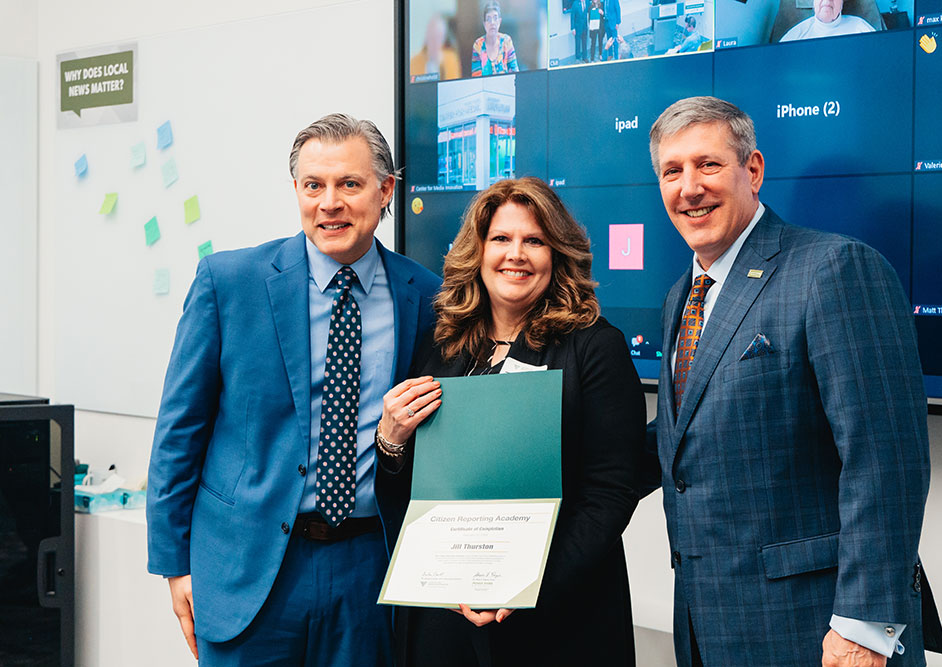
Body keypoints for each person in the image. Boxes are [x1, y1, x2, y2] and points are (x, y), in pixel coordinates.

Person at [644, 96, 942, 666]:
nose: (689, 187)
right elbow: (687, 434)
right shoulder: (679, 298)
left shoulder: (834, 268)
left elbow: (885, 457)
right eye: (672, 171)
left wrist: (864, 626)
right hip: (709, 626)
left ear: (753, 170)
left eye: (708, 164)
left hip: (819, 632)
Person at [145, 113, 441, 666]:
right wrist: (174, 564)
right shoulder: (228, 282)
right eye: (314, 185)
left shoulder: (424, 295)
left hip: (367, 568)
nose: (330, 202)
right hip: (248, 567)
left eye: (349, 184)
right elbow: (178, 431)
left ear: (385, 192)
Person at [376, 177, 645, 666]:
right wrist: (390, 439)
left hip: (556, 617)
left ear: (557, 254)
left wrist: (525, 585)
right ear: (477, 252)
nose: (515, 254)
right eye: (501, 239)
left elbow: (610, 494)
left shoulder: (594, 347)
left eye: (534, 241)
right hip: (445, 614)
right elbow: (409, 489)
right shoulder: (443, 346)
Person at [780, 0, 876, 41]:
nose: (827, 0)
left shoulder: (860, 27)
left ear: (842, 3)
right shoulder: (796, 35)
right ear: (814, 3)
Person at [471, 1, 519, 76]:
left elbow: (515, 74)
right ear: (484, 24)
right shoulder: (478, 45)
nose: (492, 22)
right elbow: (476, 78)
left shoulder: (506, 41)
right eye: (488, 19)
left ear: (499, 21)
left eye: (495, 18)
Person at [410, 13, 461, 81]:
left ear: (443, 39)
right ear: (426, 37)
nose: (435, 42)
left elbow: (454, 86)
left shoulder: (451, 59)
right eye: (432, 37)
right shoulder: (414, 62)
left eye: (438, 37)